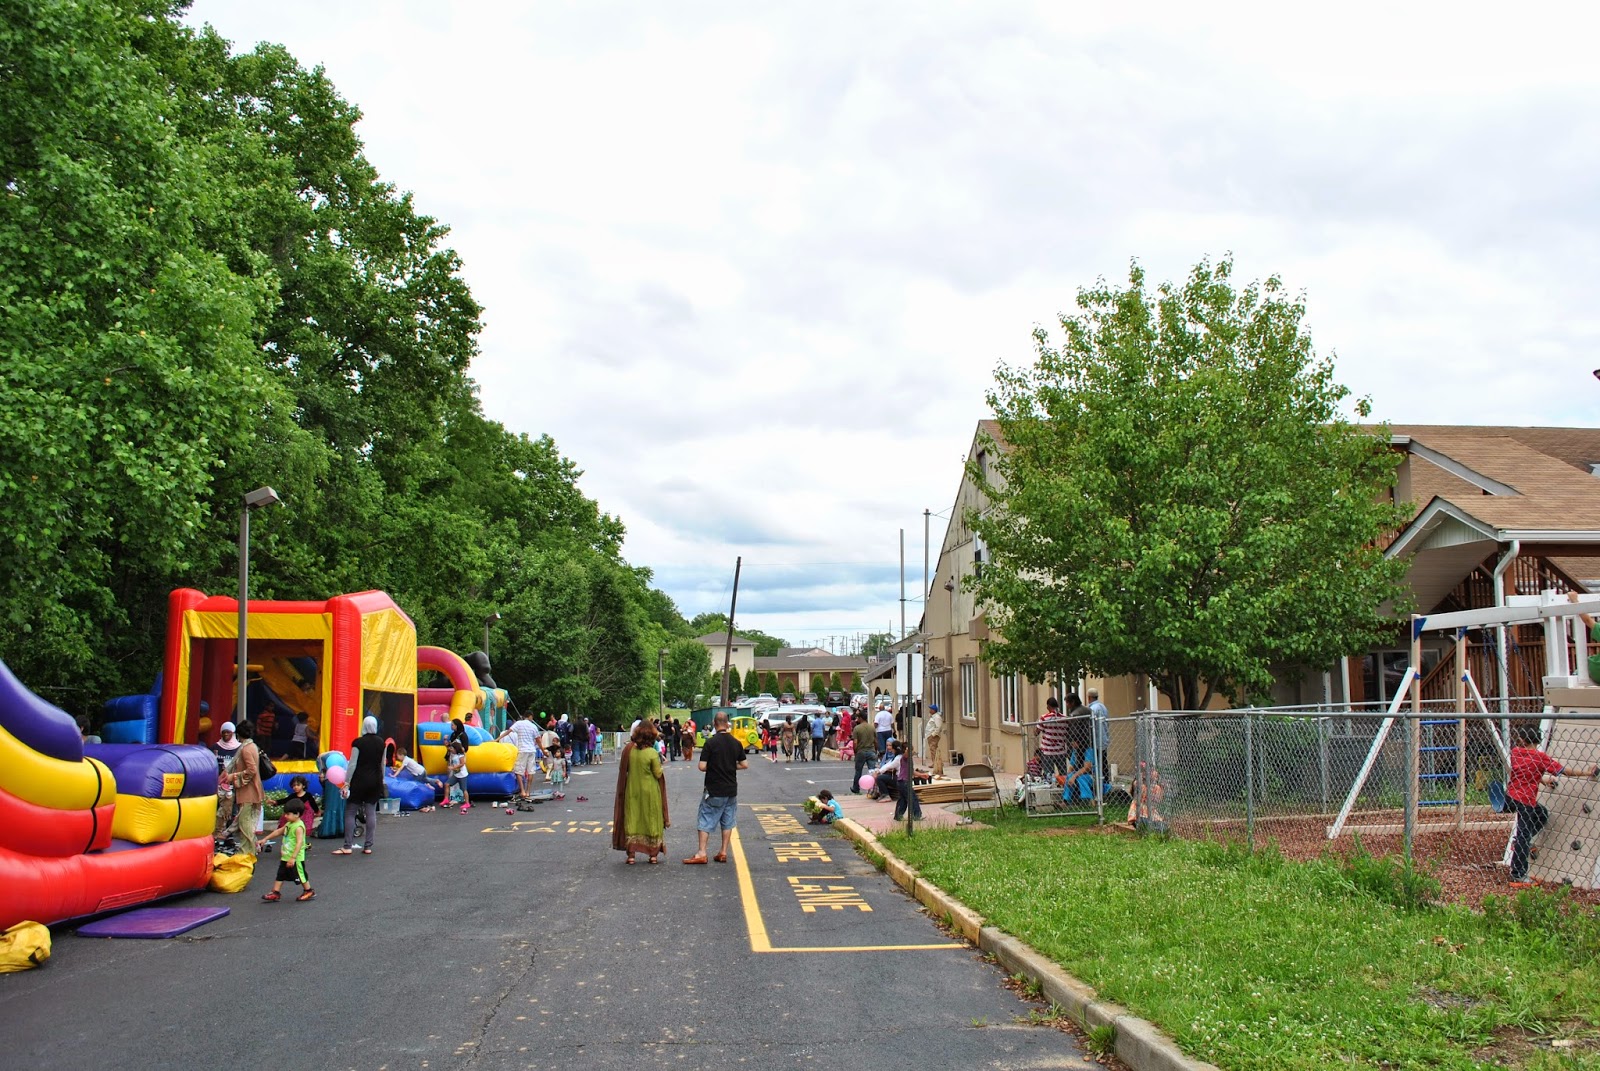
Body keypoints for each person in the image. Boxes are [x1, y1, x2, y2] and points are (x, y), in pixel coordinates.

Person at [1507, 725, 1598, 888]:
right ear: (1539, 740)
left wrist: (1542, 780)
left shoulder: (1516, 752)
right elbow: (1566, 772)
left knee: (1541, 814)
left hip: (1511, 797)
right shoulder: (1541, 758)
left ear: (1521, 740)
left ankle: (1520, 844)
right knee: (1524, 834)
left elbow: (1525, 771)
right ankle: (1518, 875)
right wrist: (1587, 773)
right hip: (1526, 800)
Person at [684, 711, 748, 865]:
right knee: (727, 821)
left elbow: (702, 766)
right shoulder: (736, 742)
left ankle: (702, 852)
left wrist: (715, 766)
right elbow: (744, 764)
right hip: (731, 789)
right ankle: (723, 852)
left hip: (714, 789)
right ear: (727, 724)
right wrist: (729, 766)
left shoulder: (711, 743)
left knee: (706, 819)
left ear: (714, 724)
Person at [612, 721, 669, 864]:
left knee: (633, 817)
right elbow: (657, 773)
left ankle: (631, 855)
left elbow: (623, 770)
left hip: (632, 789)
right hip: (650, 791)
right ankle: (653, 855)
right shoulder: (651, 753)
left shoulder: (630, 752)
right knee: (652, 818)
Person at [334, 715, 384, 855]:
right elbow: (382, 763)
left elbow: (352, 764)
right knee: (371, 813)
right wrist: (382, 780)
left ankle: (347, 846)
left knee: (350, 812)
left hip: (359, 781)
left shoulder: (358, 742)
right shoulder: (381, 742)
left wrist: (347, 782)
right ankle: (368, 846)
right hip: (375, 781)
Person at [258, 797, 315, 902]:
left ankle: (308, 890)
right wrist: (265, 839)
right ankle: (275, 892)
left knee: (300, 874)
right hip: (286, 856)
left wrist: (293, 858)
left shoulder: (298, 827)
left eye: (288, 814)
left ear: (297, 814)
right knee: (280, 874)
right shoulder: (289, 824)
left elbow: (299, 843)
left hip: (295, 858)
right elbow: (279, 831)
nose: (285, 816)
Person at [232, 721, 265, 856]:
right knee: (247, 821)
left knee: (244, 821)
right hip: (254, 788)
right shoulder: (253, 746)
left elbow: (251, 770)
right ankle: (250, 848)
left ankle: (248, 849)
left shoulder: (245, 749)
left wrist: (234, 777)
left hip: (248, 790)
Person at [499, 712, 543, 799]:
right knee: (531, 771)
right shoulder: (533, 726)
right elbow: (538, 740)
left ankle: (522, 791)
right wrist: (543, 750)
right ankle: (528, 791)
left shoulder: (519, 723)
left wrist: (497, 739)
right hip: (532, 750)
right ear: (530, 716)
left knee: (519, 771)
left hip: (522, 749)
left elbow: (508, 731)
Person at [392, 744, 445, 810]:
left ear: (401, 755)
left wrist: (394, 775)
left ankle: (427, 787)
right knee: (426, 779)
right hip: (422, 770)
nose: (398, 758)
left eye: (398, 756)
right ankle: (436, 781)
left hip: (419, 773)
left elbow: (400, 769)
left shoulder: (406, 760)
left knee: (416, 785)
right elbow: (402, 769)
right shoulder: (407, 759)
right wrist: (395, 770)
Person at [1038, 696, 1070, 782]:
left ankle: (1050, 787)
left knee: (1049, 774)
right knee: (1063, 773)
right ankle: (1064, 788)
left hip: (1048, 751)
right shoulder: (1065, 718)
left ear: (1048, 706)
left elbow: (1036, 731)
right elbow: (1067, 732)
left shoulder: (1044, 718)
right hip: (1060, 751)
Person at [1086, 688, 1110, 781]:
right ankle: (1105, 782)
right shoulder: (1103, 707)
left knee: (1096, 763)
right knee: (1103, 763)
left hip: (1095, 741)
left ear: (1089, 697)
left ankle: (1099, 784)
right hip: (1103, 739)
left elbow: (1090, 725)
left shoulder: (1092, 709)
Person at [851, 715, 877, 794]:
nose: (857, 719)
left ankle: (856, 788)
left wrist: (855, 751)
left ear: (861, 718)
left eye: (858, 718)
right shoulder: (872, 728)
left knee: (858, 771)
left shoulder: (857, 728)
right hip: (871, 751)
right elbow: (875, 741)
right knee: (872, 771)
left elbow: (855, 742)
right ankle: (874, 789)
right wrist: (876, 750)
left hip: (861, 751)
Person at [445, 740, 471, 810]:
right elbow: (448, 748)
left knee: (464, 789)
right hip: (456, 774)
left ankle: (467, 803)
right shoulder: (454, 755)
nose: (451, 750)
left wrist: (453, 768)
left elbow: (462, 764)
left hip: (462, 775)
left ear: (456, 749)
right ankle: (446, 799)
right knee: (447, 784)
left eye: (452, 749)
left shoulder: (460, 755)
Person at [923, 704, 944, 778]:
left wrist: (933, 734)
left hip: (933, 736)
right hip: (929, 736)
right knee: (932, 750)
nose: (929, 710)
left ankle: (937, 763)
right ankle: (934, 762)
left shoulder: (937, 717)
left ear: (934, 710)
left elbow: (938, 727)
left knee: (933, 749)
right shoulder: (933, 717)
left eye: (931, 709)